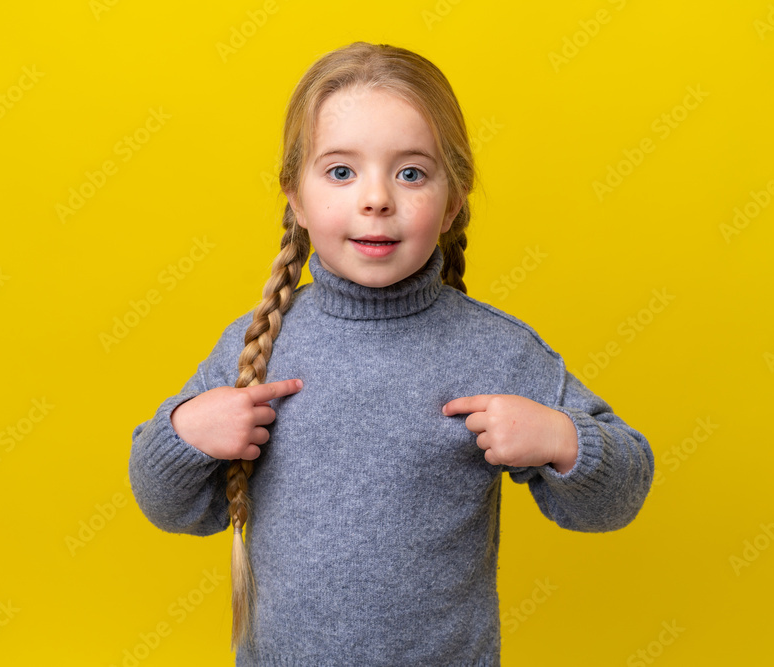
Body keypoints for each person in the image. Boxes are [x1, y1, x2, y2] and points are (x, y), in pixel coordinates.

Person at [129, 41, 654, 666]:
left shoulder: (496, 349)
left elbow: (620, 496)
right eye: (341, 172)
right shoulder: (257, 346)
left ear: (452, 200)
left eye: (411, 172)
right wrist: (184, 434)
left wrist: (565, 439)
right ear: (295, 197)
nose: (376, 199)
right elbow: (170, 508)